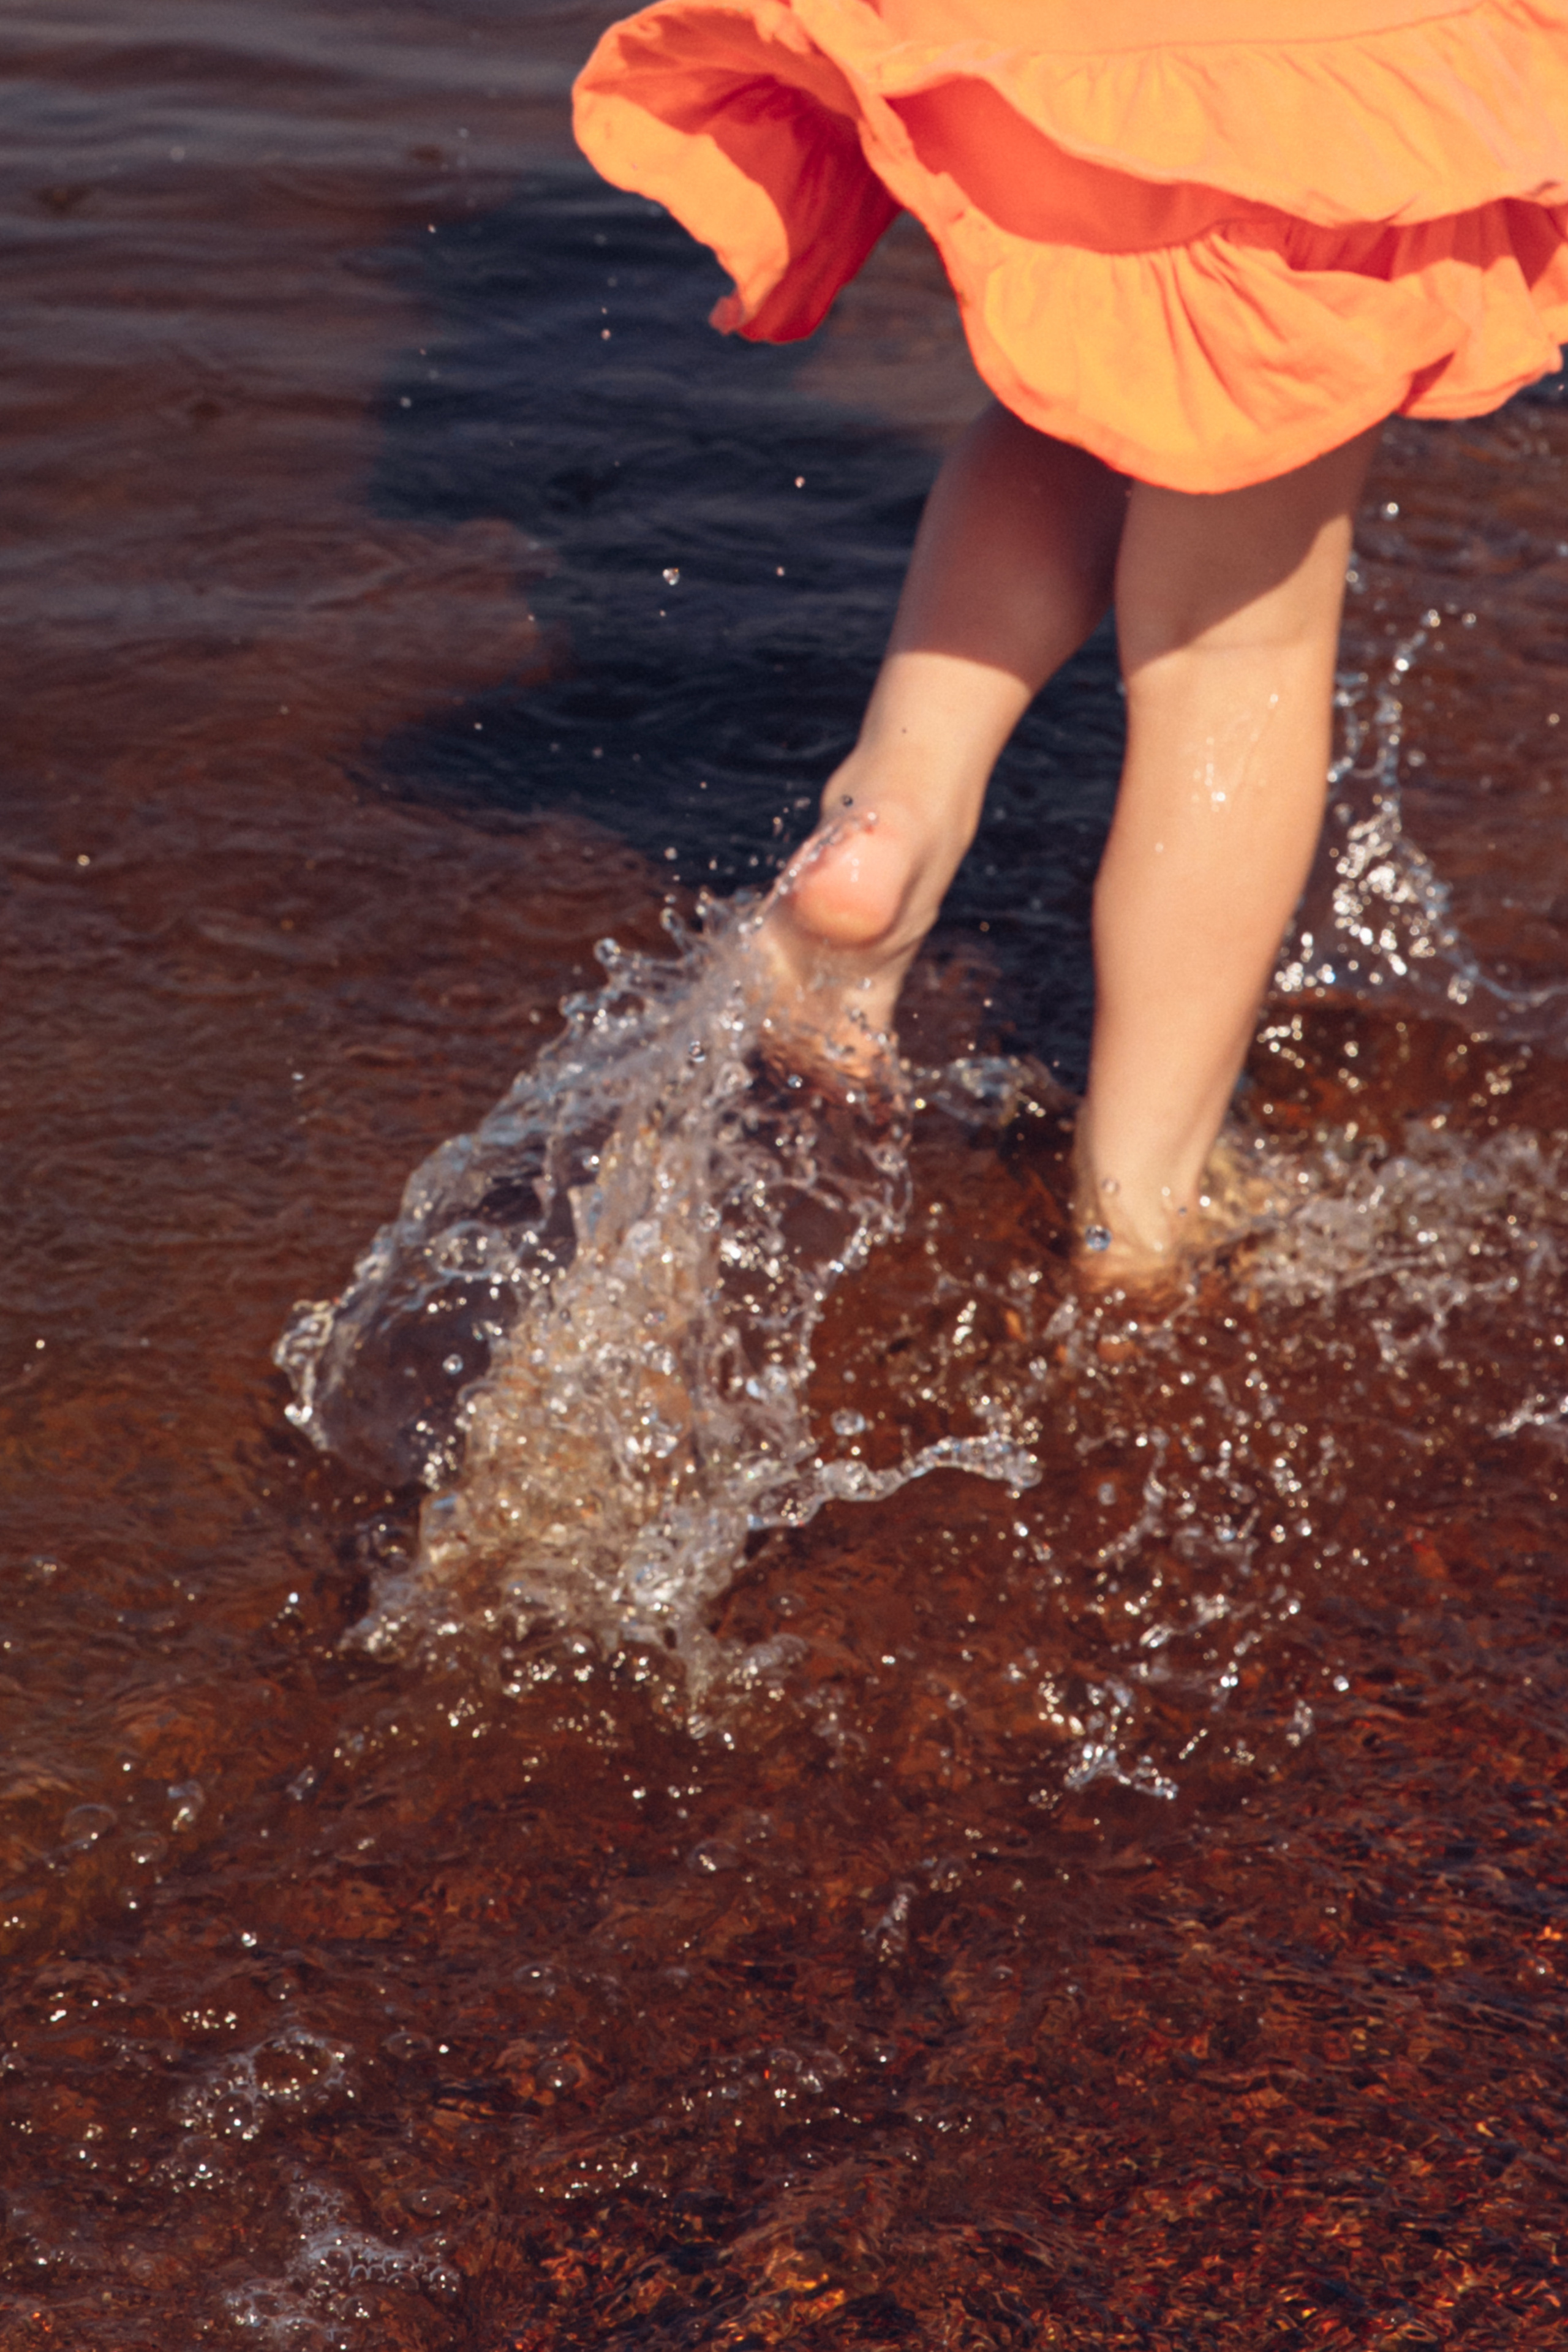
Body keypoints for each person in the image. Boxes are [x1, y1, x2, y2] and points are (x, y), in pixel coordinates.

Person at [573, 0, 1568, 1288]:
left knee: (1100, 377)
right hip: (1303, 59)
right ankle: (1139, 1203)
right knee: (1236, 646)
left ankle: (892, 817)